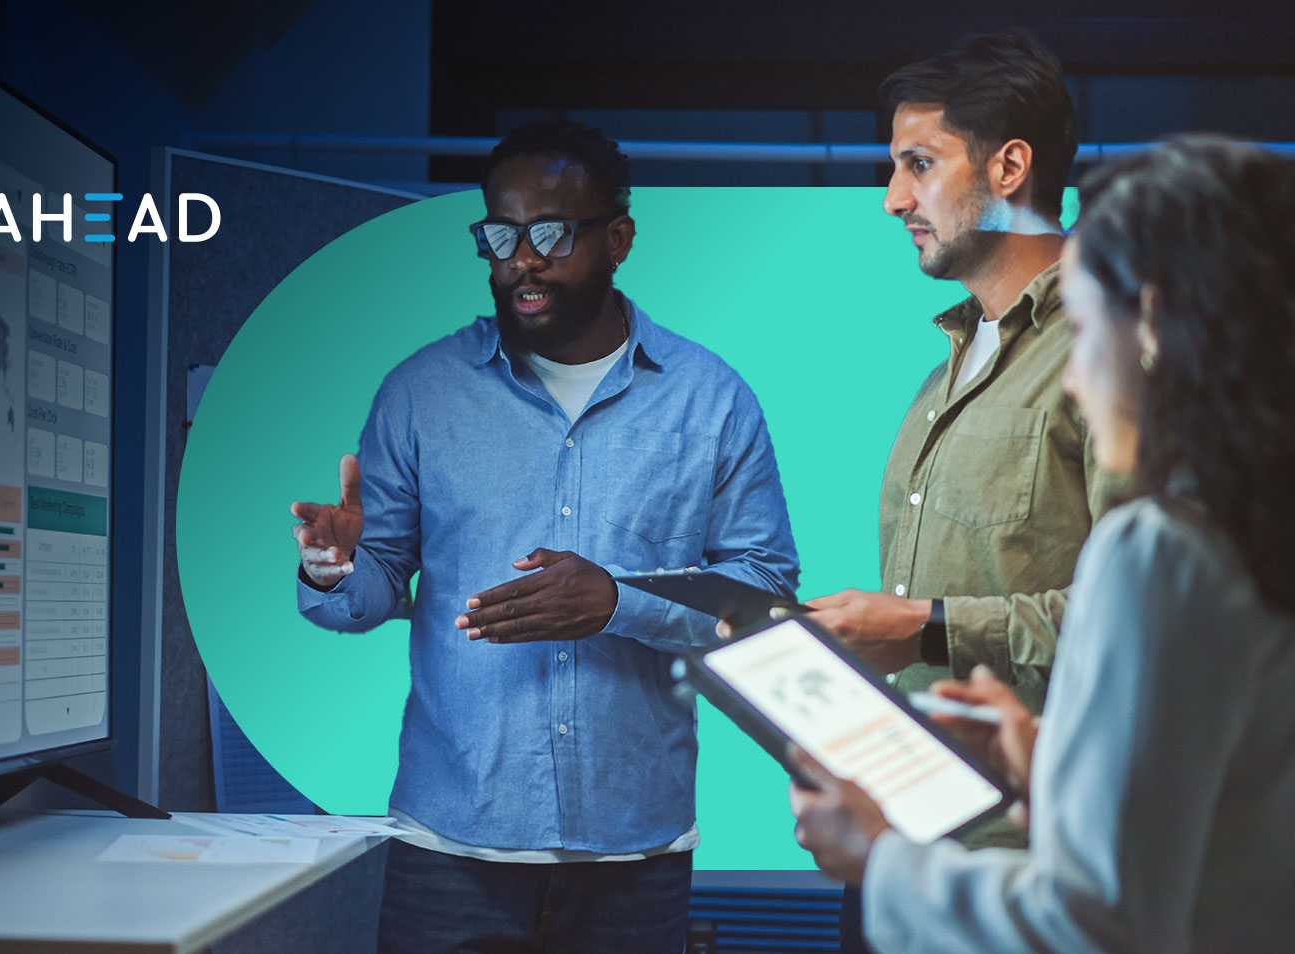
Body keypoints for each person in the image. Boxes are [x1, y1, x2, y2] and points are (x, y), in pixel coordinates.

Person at [290, 120, 800, 954]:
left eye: (551, 233)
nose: (520, 258)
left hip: (635, 848)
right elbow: (370, 591)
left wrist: (617, 602)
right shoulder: (420, 393)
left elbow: (766, 592)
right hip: (450, 847)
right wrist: (336, 566)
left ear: (619, 238)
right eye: (500, 234)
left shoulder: (711, 400)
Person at [788, 135, 1295, 953]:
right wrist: (1054, 760)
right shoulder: (1258, 529)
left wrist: (878, 859)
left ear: (1154, 325)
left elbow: (1097, 924)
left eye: (1087, 329)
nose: (1070, 377)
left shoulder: (1162, 551)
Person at [712, 31, 1127, 950]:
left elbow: (1140, 618)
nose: (895, 198)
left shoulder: (1107, 357)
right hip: (902, 836)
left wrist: (927, 624)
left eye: (919, 164)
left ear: (1009, 165)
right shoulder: (947, 365)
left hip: (1026, 861)